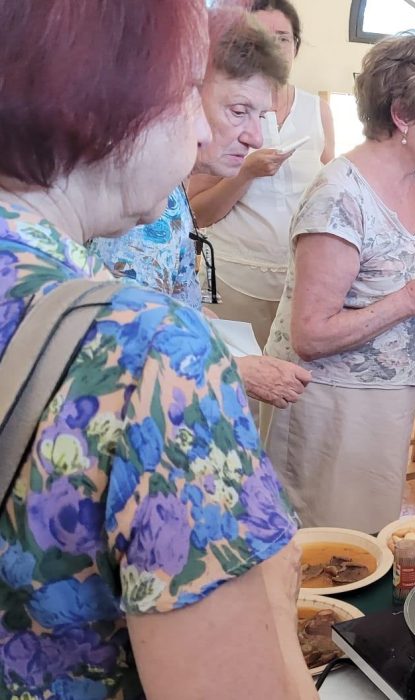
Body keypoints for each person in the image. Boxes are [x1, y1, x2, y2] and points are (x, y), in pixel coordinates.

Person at [0, 3, 314, 698]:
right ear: (97, 97)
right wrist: (272, 578)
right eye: (184, 94)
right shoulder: (151, 350)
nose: (201, 130)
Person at [262, 33, 415, 533]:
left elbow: (396, 300)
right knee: (328, 553)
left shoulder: (413, 181)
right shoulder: (340, 195)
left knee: (369, 542)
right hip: (330, 410)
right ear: (402, 114)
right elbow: (311, 334)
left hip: (385, 404)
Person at [89, 11, 311, 411]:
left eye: (261, 116)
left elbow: (162, 303)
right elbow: (119, 343)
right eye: (239, 111)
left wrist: (198, 318)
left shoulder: (170, 184)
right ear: (183, 93)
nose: (255, 137)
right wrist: (235, 369)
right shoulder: (140, 195)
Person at [188, 0, 335, 349]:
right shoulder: (214, 113)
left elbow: (330, 192)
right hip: (237, 278)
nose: (274, 46)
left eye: (283, 37)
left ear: (296, 45)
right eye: (261, 36)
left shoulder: (318, 110)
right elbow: (195, 212)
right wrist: (246, 174)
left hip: (303, 278)